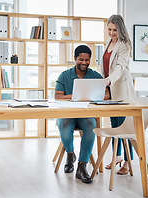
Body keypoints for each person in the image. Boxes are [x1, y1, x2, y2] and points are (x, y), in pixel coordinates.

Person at [55, 45, 106, 184]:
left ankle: (82, 167)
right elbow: (58, 96)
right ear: (75, 59)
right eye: (81, 59)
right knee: (65, 127)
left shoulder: (95, 76)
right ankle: (70, 155)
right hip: (68, 114)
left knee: (91, 125)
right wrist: (73, 96)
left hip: (86, 115)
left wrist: (94, 96)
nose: (84, 63)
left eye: (87, 60)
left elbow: (106, 94)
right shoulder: (65, 75)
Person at [101, 14, 137, 175]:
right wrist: (104, 82)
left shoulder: (125, 44)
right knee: (114, 125)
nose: (112, 32)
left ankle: (128, 162)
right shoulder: (109, 42)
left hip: (121, 90)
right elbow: (105, 64)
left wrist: (109, 80)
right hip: (110, 91)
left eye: (115, 30)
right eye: (109, 29)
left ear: (120, 29)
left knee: (124, 127)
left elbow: (120, 67)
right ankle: (117, 156)